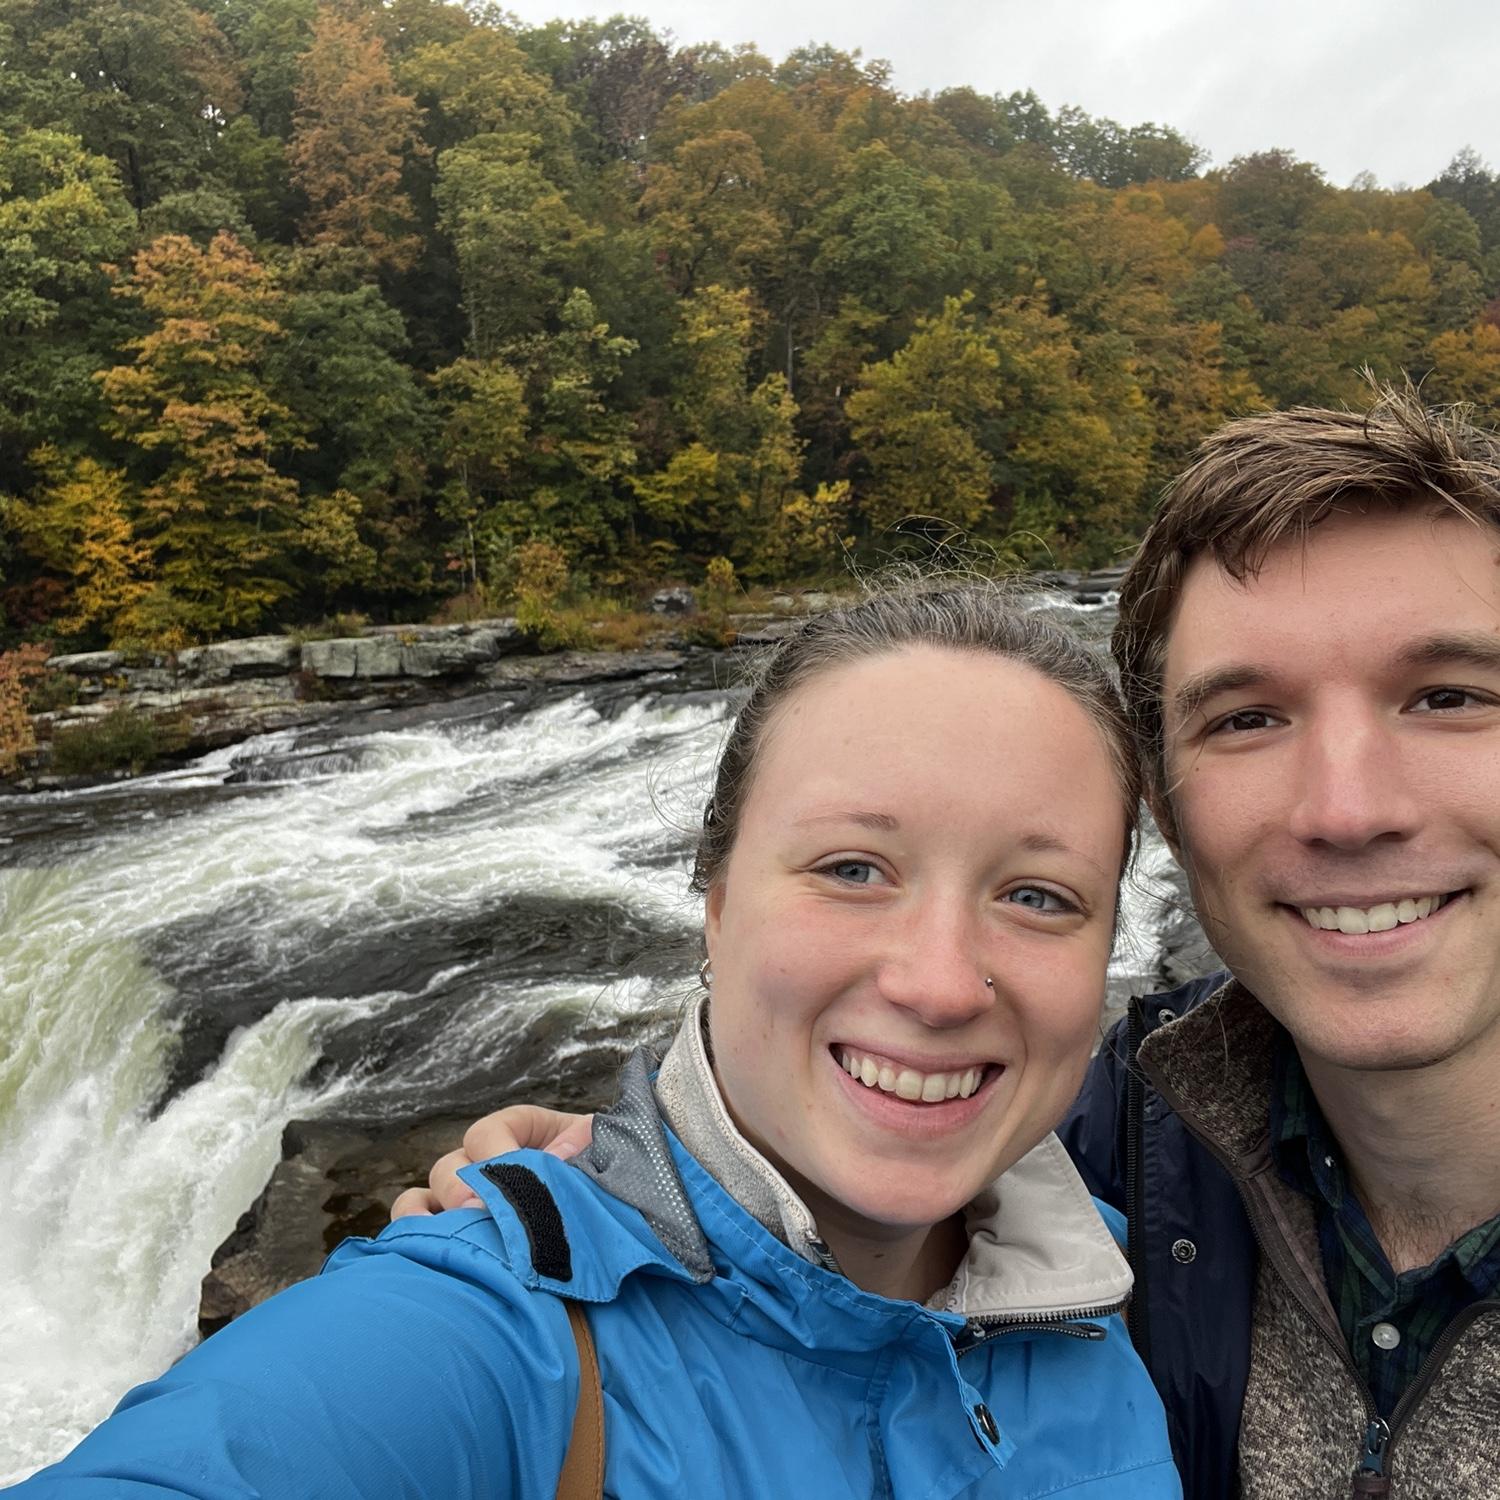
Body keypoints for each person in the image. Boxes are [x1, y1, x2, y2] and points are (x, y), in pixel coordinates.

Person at [403, 388, 1500, 1499]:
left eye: (1450, 696)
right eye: (1247, 719)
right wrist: (638, 1179)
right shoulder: (1105, 1147)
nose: (1348, 809)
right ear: (1171, 815)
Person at [13, 585, 1181, 1498]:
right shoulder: (484, 1330)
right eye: (852, 869)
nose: (937, 984)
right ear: (716, 901)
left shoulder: (1115, 1312)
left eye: (1038, 896)